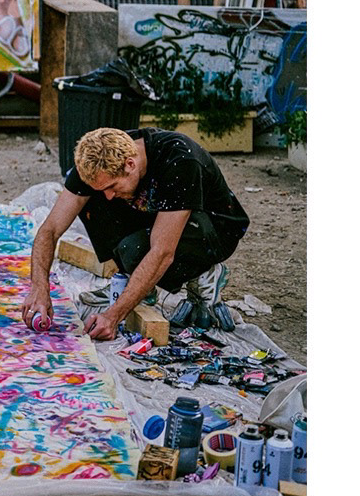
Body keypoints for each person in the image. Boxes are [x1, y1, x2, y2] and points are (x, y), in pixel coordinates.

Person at [21, 127, 249, 340]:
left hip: (214, 230)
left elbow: (162, 252)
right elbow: (50, 230)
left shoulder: (179, 161)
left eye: (113, 186)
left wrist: (113, 316)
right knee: (94, 203)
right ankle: (136, 284)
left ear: (130, 164)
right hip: (161, 214)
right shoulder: (96, 161)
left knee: (136, 251)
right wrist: (39, 288)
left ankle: (204, 274)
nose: (109, 196)